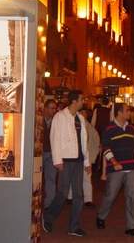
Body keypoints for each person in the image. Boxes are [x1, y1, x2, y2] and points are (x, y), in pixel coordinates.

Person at [43, 90, 91, 237]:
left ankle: (74, 226)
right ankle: (48, 217)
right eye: (81, 99)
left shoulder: (80, 119)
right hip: (65, 161)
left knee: (79, 195)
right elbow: (54, 139)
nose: (83, 102)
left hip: (78, 161)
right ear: (74, 101)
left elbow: (84, 142)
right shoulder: (60, 117)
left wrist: (87, 161)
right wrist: (57, 160)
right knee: (62, 193)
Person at [97, 103, 134, 237]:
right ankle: (101, 216)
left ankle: (131, 226)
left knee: (132, 197)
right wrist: (114, 162)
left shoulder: (131, 128)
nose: (130, 113)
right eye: (127, 111)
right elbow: (106, 148)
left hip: (131, 167)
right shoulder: (109, 128)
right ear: (119, 113)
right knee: (110, 195)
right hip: (116, 168)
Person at [68, 108, 100, 207]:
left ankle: (88, 199)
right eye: (81, 112)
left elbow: (96, 141)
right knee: (72, 176)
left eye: (84, 113)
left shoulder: (89, 127)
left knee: (86, 178)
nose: (82, 114)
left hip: (86, 156)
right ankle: (70, 196)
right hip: (74, 155)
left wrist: (92, 156)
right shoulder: (73, 124)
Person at [42, 99, 57, 208]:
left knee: (51, 178)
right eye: (52, 108)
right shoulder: (38, 120)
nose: (54, 110)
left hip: (51, 153)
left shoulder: (56, 121)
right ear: (45, 108)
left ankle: (49, 203)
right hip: (40, 153)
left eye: (55, 108)